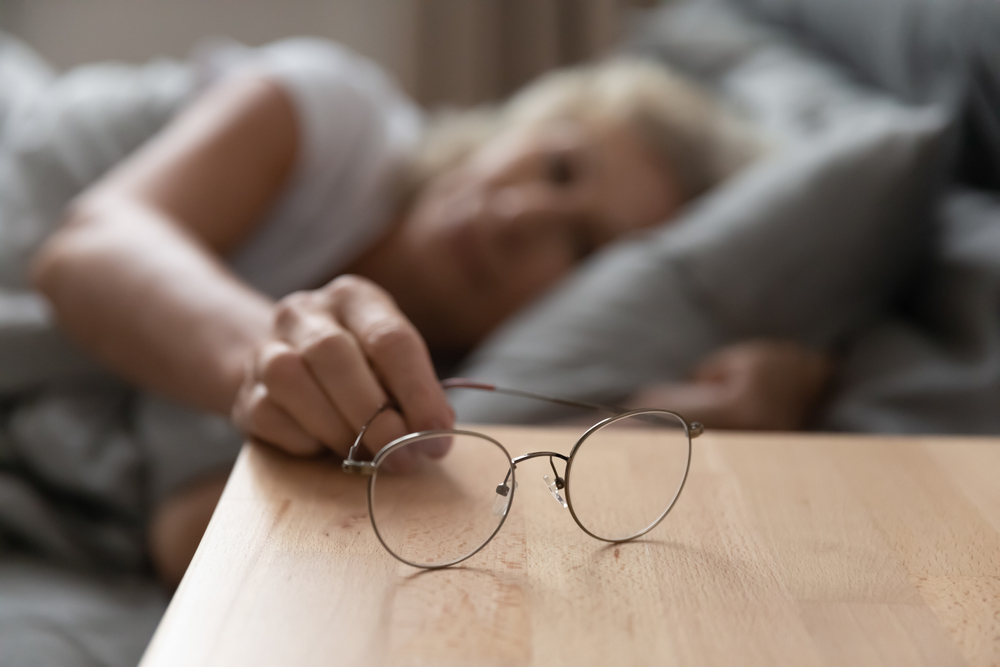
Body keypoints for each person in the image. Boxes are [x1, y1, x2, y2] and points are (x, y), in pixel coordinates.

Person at [27, 40, 822, 584]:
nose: (517, 215)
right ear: (522, 120)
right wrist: (284, 351)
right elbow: (87, 250)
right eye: (556, 166)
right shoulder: (335, 119)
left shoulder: (442, 392)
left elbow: (191, 533)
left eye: (581, 247)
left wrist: (640, 426)